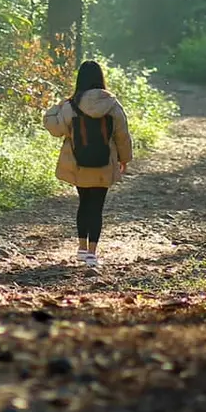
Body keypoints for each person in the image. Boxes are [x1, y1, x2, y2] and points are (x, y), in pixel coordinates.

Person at [42, 59, 133, 268]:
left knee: (84, 204)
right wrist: (124, 159)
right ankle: (92, 253)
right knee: (97, 207)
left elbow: (53, 126)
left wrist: (61, 104)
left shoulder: (72, 105)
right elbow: (122, 134)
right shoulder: (112, 104)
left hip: (78, 162)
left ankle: (81, 249)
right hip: (104, 163)